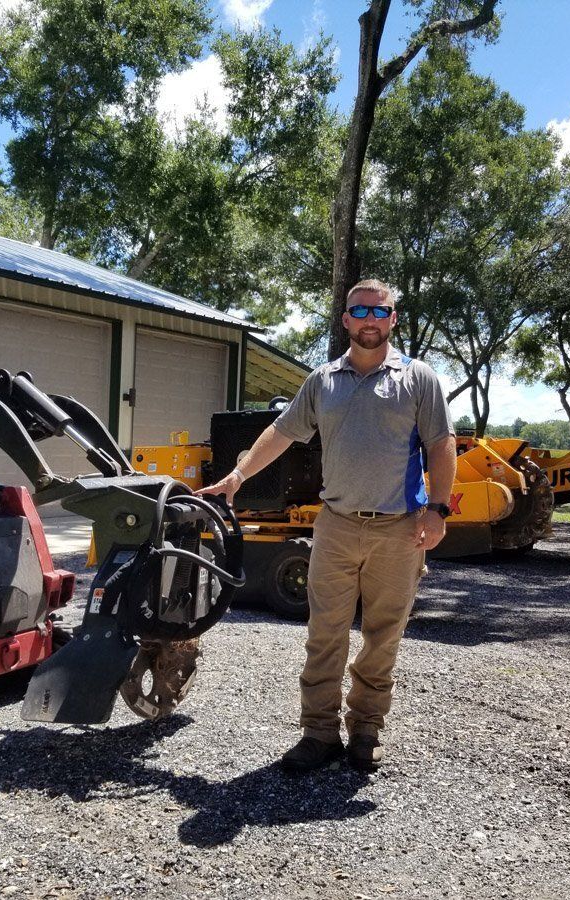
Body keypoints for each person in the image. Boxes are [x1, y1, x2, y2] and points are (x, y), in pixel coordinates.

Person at [197, 278, 456, 773]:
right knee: (325, 633)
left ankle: (365, 731)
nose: (370, 321)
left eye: (380, 312)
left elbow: (441, 444)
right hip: (335, 526)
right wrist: (238, 474)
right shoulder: (323, 381)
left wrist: (437, 510)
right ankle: (318, 734)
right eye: (360, 311)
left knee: (383, 635)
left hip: (399, 529)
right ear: (346, 320)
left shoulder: (419, 378)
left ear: (393, 319)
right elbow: (280, 432)